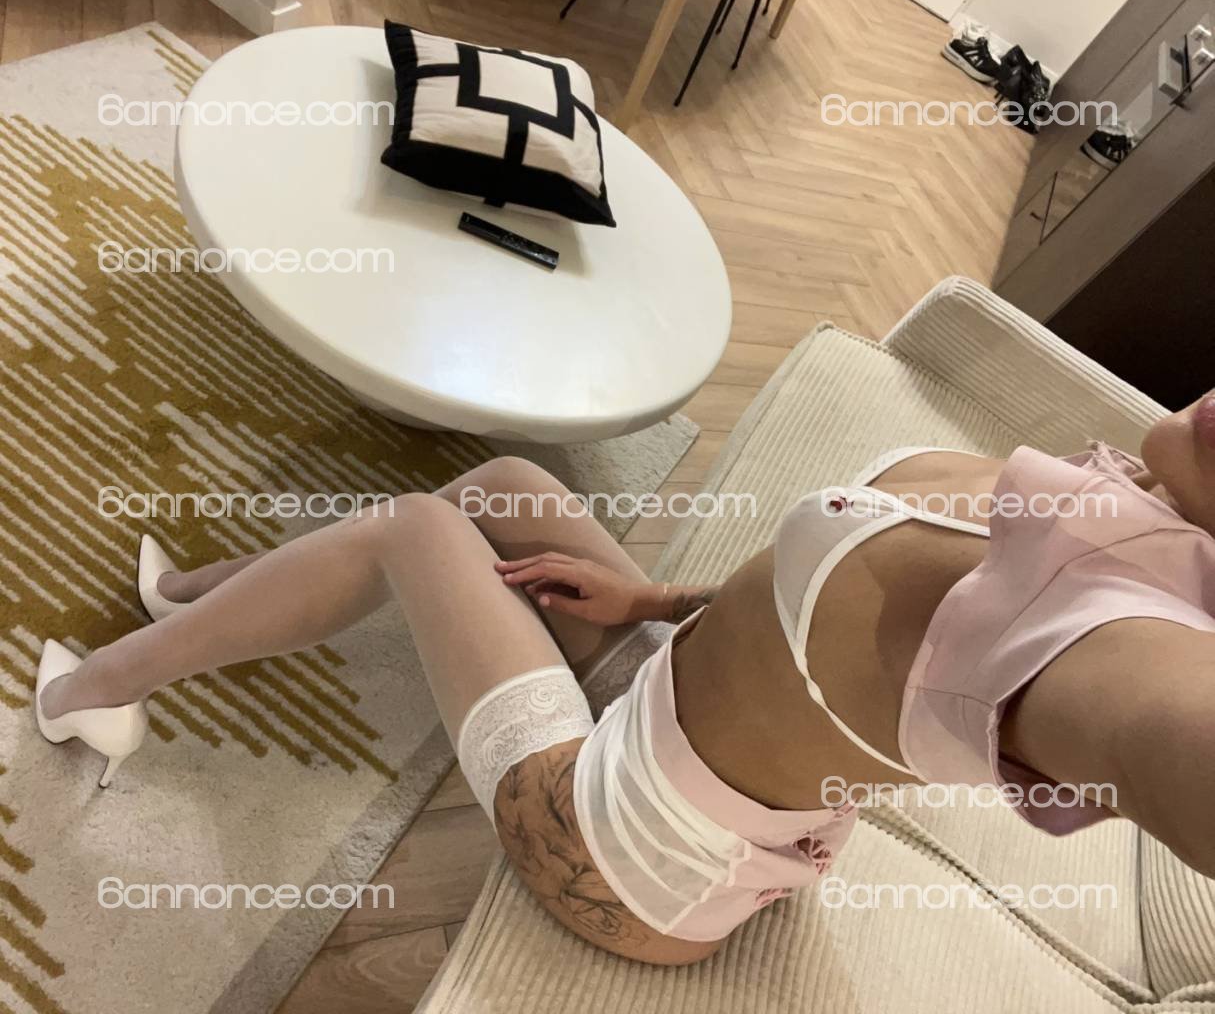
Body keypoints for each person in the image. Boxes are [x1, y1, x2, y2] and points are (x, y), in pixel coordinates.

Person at [35, 390, 1215, 965]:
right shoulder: (1143, 502)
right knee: (506, 484)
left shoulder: (1130, 642)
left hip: (629, 849)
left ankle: (94, 694)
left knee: (416, 528)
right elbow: (825, 596)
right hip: (680, 718)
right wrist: (651, 601)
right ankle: (200, 602)